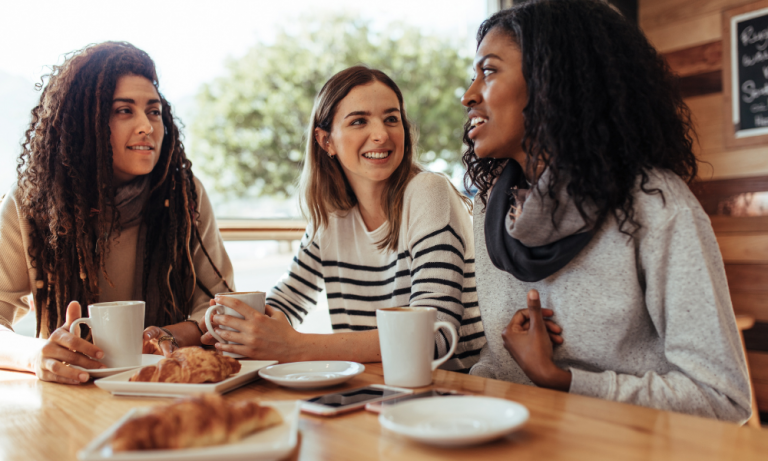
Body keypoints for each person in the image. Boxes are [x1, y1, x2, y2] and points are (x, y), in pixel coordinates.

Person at [462, 0, 752, 422]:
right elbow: (499, 370)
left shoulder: (655, 205)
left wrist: (561, 379)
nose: (469, 95)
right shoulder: (489, 208)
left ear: (552, 81)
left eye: (488, 71)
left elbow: (723, 398)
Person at [201, 66, 485, 371]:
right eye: (359, 121)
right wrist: (242, 327)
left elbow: (433, 337)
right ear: (326, 141)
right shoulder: (330, 218)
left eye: (392, 119)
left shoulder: (429, 191)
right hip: (374, 391)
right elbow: (284, 305)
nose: (381, 135)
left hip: (453, 393)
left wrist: (295, 347)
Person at [0, 42, 234, 384]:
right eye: (125, 111)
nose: (147, 126)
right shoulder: (31, 202)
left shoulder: (184, 194)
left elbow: (219, 306)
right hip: (69, 395)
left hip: (163, 387)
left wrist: (164, 338)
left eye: (153, 111)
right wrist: (35, 356)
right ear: (83, 122)